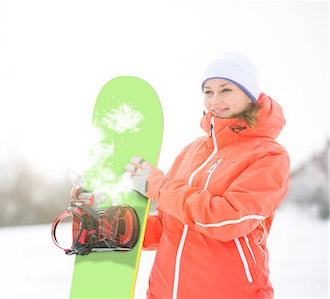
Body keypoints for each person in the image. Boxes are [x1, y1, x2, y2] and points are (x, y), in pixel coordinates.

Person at [123, 52, 290, 298]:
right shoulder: (193, 151)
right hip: (166, 292)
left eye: (226, 90)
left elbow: (226, 219)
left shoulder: (268, 156)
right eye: (208, 91)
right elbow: (173, 225)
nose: (215, 100)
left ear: (250, 95)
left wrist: (160, 187)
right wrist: (124, 228)